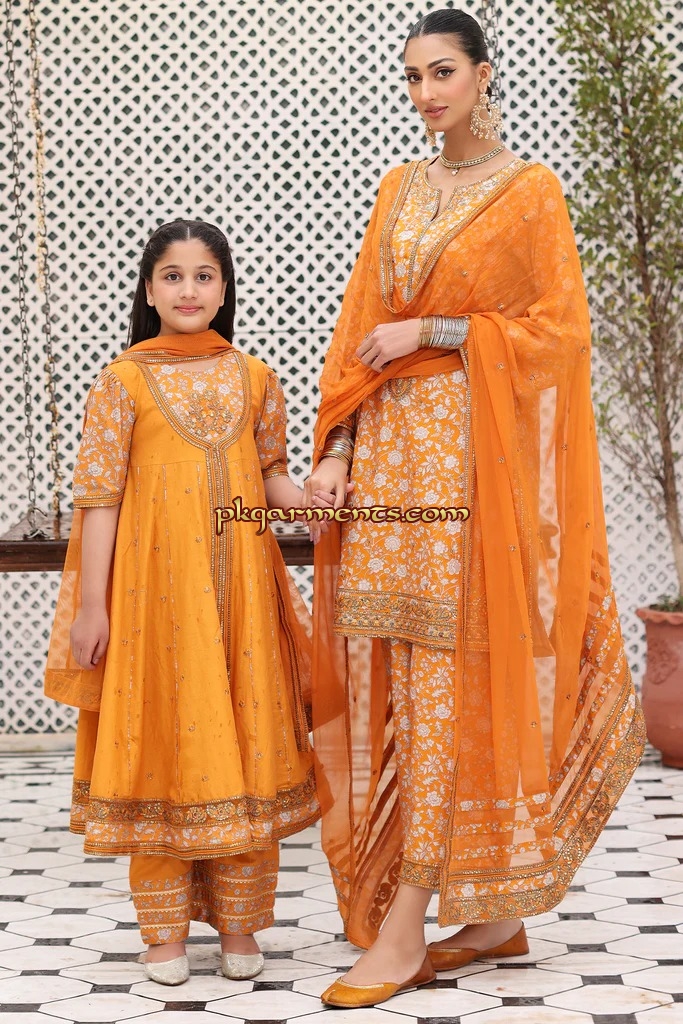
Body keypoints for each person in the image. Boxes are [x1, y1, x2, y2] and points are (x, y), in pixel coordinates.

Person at [304, 8, 646, 1010]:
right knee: (414, 692)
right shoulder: (398, 189)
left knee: (454, 686)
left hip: (473, 475)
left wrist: (439, 330)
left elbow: (560, 334)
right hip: (389, 472)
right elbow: (359, 329)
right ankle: (492, 918)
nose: (425, 93)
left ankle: (406, 929)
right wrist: (335, 449)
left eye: (442, 72)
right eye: (412, 76)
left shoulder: (529, 190)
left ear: (482, 75)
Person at [45, 220, 325, 986]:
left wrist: (314, 501)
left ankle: (239, 924)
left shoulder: (255, 377)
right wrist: (92, 607)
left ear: (225, 289)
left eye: (204, 275)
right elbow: (99, 500)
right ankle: (163, 934)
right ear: (148, 290)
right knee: (164, 748)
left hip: (240, 602)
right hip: (154, 607)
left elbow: (269, 476)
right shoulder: (123, 381)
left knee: (245, 743)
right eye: (173, 276)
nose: (189, 289)